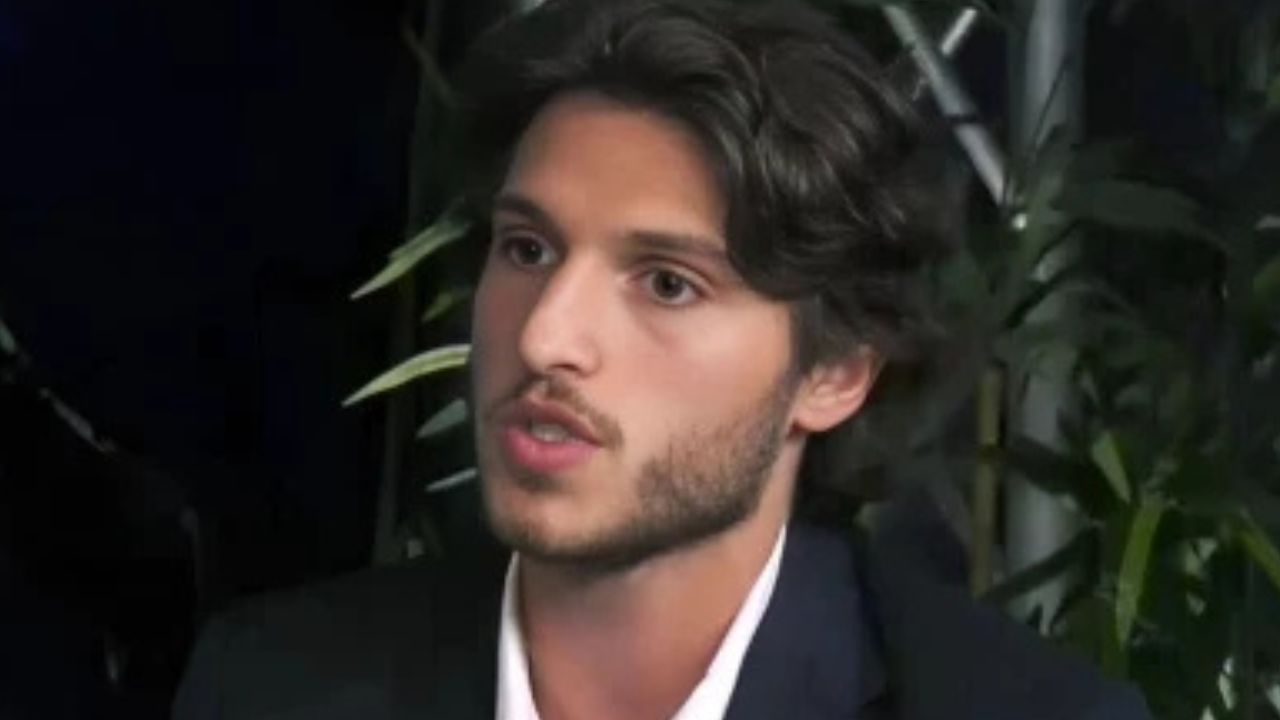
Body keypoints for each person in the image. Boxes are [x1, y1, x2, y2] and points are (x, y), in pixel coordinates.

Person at [173, 1, 1152, 718]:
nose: (545, 338)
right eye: (528, 249)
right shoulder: (269, 685)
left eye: (668, 284)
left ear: (834, 374)